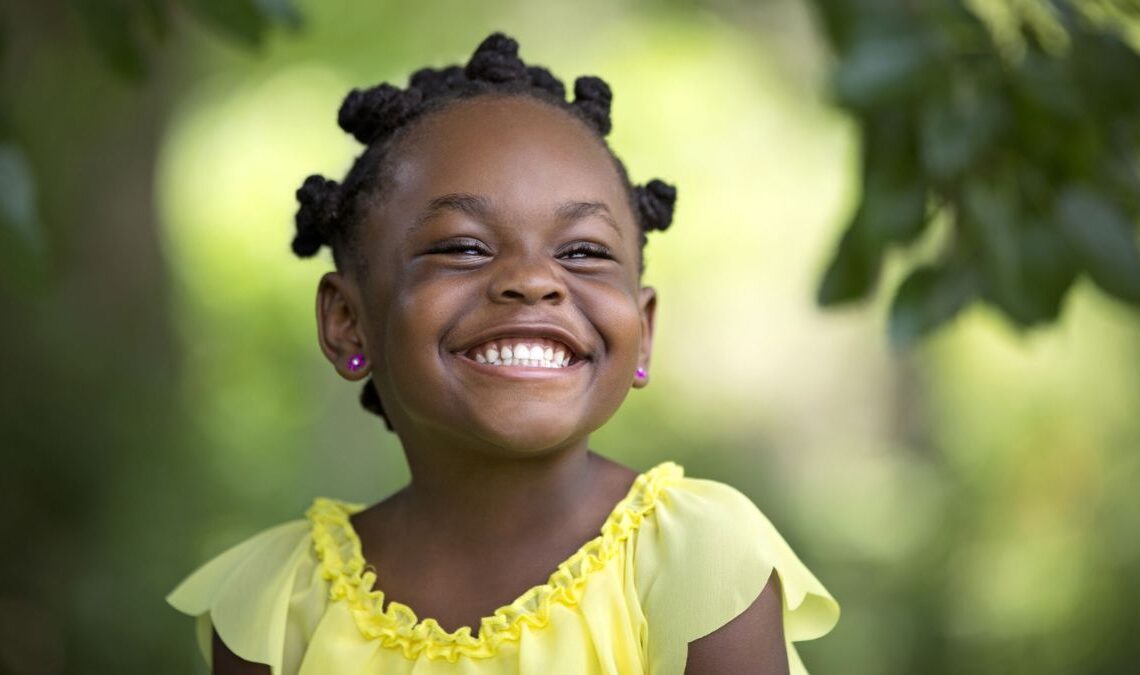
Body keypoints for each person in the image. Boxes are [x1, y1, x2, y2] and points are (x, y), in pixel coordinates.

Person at [167, 32, 839, 675]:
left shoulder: (698, 557)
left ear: (643, 326)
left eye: (582, 251)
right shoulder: (276, 601)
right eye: (463, 246)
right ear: (348, 321)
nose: (534, 279)